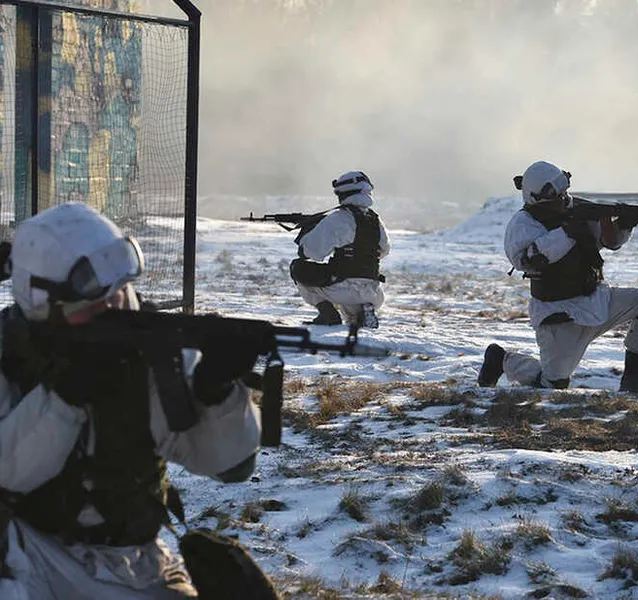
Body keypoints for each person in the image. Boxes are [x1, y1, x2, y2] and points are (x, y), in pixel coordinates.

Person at [0, 203, 264, 599]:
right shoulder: (11, 354)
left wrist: (217, 394)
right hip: (28, 555)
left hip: (133, 563)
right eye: (95, 305)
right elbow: (7, 471)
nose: (116, 310)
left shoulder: (150, 354)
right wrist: (64, 398)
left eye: (120, 293)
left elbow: (230, 466)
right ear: (43, 304)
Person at [478, 160, 638, 398]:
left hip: (596, 300)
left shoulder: (576, 210)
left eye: (564, 192)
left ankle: (635, 379)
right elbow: (528, 260)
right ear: (539, 198)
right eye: (556, 196)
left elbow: (609, 242)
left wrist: (623, 224)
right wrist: (567, 232)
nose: (563, 199)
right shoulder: (523, 224)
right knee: (552, 388)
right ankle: (502, 360)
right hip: (559, 314)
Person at [290, 171, 390, 328]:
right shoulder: (376, 220)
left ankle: (327, 313)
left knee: (299, 268)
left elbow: (310, 252)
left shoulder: (338, 218)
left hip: (342, 288)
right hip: (374, 292)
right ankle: (362, 312)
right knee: (350, 293)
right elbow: (383, 250)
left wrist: (309, 231)